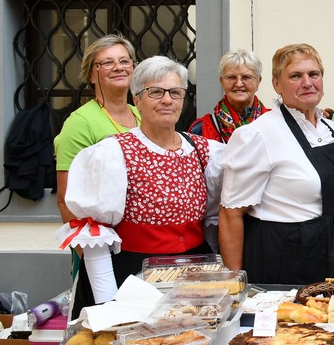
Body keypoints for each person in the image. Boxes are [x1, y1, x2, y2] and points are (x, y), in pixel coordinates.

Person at [58, 57, 223, 303]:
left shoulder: (205, 150)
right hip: (132, 277)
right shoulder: (113, 152)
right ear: (137, 100)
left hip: (193, 273)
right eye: (155, 92)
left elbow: (212, 222)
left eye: (175, 93)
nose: (167, 100)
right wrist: (107, 302)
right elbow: (96, 234)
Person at [220, 43, 334, 286]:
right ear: (276, 84)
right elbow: (230, 213)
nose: (307, 82)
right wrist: (237, 283)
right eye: (296, 76)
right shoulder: (258, 135)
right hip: (287, 259)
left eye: (314, 74)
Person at [53, 34, 140, 315]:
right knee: (101, 324)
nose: (118, 67)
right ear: (92, 74)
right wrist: (89, 254)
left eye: (124, 61)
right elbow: (66, 199)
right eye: (107, 63)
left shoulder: (140, 116)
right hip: (99, 249)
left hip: (136, 244)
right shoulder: (80, 123)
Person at [188, 50, 268, 143]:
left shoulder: (275, 124)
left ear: (258, 81)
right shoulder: (201, 129)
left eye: (246, 77)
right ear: (221, 81)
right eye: (231, 77)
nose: (238, 84)